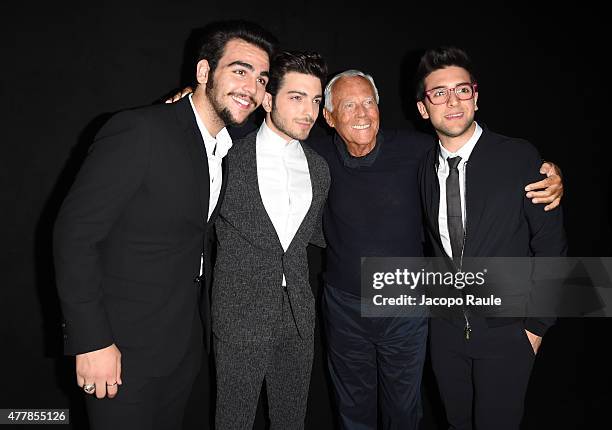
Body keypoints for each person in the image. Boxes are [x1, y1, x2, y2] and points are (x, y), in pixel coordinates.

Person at [307, 69, 565, 429]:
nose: (362, 114)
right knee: (353, 410)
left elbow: (474, 153)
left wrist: (548, 174)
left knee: (404, 410)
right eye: (349, 105)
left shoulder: (417, 152)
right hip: (344, 304)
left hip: (407, 301)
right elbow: (262, 143)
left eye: (369, 102)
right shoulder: (312, 156)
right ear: (329, 116)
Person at [53, 20, 276, 430]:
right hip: (118, 353)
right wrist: (91, 341)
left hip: (181, 351)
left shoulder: (223, 150)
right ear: (204, 72)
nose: (252, 86)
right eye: (240, 70)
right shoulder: (140, 130)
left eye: (261, 78)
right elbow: (74, 236)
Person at [415, 46, 567, 430]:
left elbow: (551, 247)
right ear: (423, 108)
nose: (452, 101)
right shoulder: (420, 168)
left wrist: (536, 327)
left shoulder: (519, 157)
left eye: (462, 90)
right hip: (446, 335)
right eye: (439, 93)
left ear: (476, 97)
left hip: (507, 335)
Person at [211, 51, 330, 429]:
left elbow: (318, 235)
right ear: (267, 99)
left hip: (298, 315)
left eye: (315, 100)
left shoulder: (319, 168)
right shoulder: (228, 156)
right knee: (233, 421)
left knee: (291, 421)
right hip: (238, 315)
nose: (309, 111)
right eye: (297, 97)